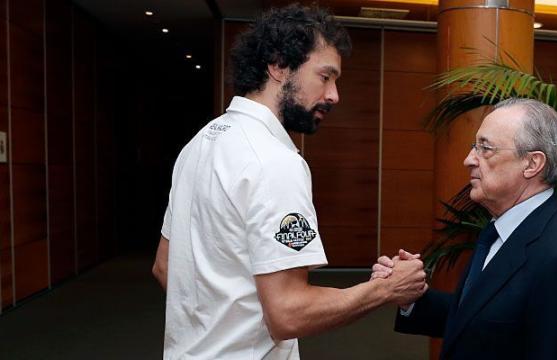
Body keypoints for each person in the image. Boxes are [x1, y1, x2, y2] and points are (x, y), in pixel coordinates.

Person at [152, 4, 427, 359]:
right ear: (279, 66)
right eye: (325, 76)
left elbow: (166, 268)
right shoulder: (274, 162)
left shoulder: (200, 143)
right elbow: (289, 312)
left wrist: (219, 320)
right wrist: (386, 289)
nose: (333, 95)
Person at [372, 98, 557, 359]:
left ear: (532, 164)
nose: (468, 159)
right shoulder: (503, 227)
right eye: (475, 146)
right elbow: (483, 318)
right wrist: (412, 299)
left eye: (486, 148)